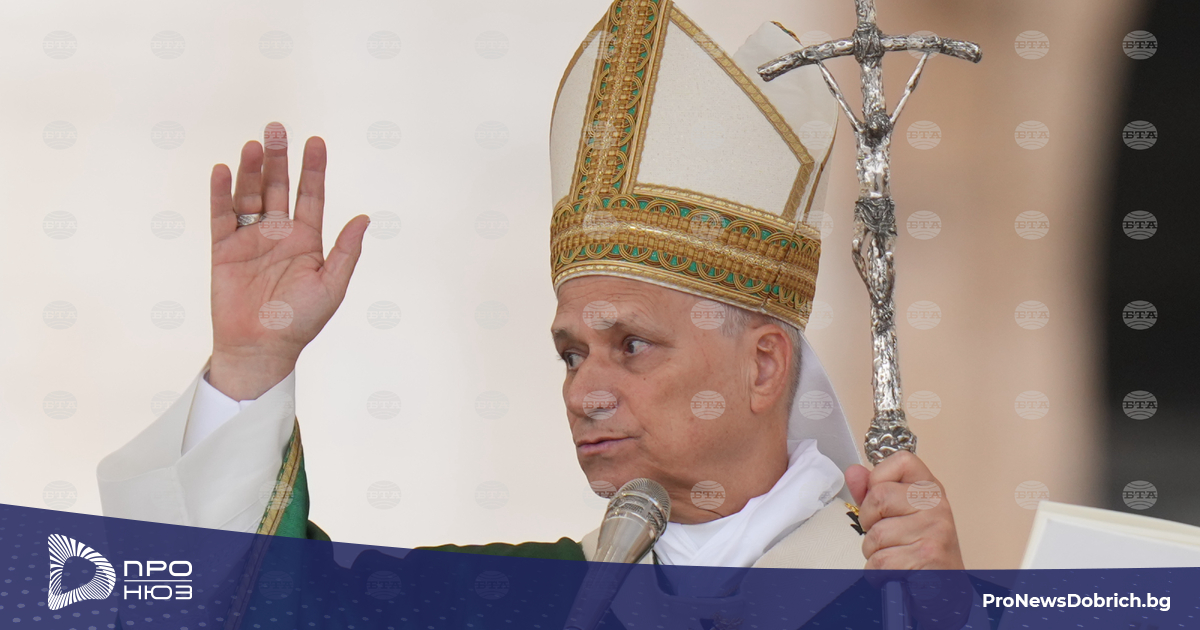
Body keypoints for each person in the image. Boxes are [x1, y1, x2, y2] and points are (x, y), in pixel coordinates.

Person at [98, 1, 994, 626]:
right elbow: (258, 611)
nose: (584, 391)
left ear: (763, 366)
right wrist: (252, 367)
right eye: (571, 353)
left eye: (631, 345)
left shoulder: (895, 595)